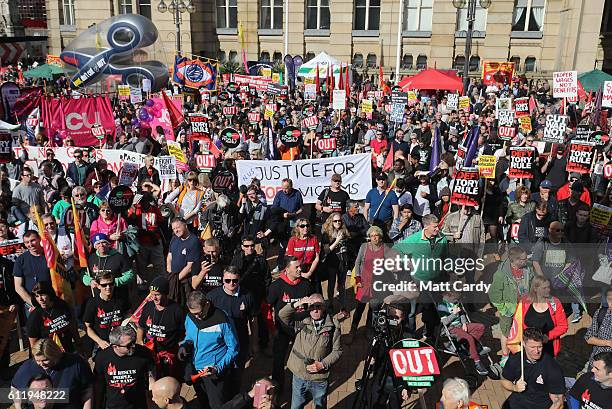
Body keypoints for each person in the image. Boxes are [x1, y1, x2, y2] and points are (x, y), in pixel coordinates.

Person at [279, 294, 342, 409]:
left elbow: (337, 351)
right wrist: (297, 303)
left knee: (320, 405)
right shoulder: (302, 321)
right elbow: (282, 315)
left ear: (324, 307)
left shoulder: (333, 326)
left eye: (318, 306)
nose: (315, 309)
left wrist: (322, 364)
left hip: (319, 377)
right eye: (311, 306)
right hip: (299, 374)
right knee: (296, 406)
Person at [178, 291, 239, 409]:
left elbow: (234, 348)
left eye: (199, 313)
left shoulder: (222, 319)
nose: (197, 317)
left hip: (214, 374)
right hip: (196, 371)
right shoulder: (190, 316)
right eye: (193, 314)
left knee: (217, 406)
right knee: (203, 403)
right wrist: (184, 346)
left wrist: (218, 368)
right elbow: (189, 336)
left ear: (206, 304)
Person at [207, 266, 258, 391]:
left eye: (234, 280)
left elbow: (253, 320)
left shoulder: (247, 296)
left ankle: (235, 396)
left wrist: (254, 343)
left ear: (239, 279)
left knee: (237, 373)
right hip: (219, 343)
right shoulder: (212, 297)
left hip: (240, 340)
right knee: (220, 372)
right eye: (227, 280)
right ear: (222, 280)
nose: (231, 284)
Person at [266, 257, 313, 391]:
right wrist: (272, 328)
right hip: (282, 329)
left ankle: (305, 387)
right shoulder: (276, 286)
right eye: (296, 267)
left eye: (300, 266)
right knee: (279, 361)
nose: (300, 269)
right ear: (287, 270)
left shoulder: (306, 284)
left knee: (306, 358)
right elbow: (267, 307)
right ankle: (277, 389)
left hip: (303, 328)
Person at [346, 226, 397, 344]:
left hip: (377, 283)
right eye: (371, 236)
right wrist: (358, 279)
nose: (374, 238)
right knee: (360, 307)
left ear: (380, 236)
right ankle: (352, 330)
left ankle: (369, 329)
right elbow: (358, 262)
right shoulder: (364, 246)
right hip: (364, 282)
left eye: (376, 235)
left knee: (373, 307)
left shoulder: (386, 249)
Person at [11, 339, 93, 409]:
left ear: (56, 354)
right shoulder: (28, 367)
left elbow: (88, 389)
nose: (41, 364)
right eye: (38, 360)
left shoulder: (76, 363)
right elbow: (15, 388)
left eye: (45, 360)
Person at [489, 246, 535, 367]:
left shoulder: (528, 268)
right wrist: (504, 309)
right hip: (509, 309)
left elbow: (533, 282)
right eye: (524, 259)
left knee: (524, 330)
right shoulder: (501, 274)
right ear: (515, 261)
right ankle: (505, 356)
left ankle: (522, 354)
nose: (527, 260)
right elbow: (494, 294)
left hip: (525, 307)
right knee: (506, 332)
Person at [501, 328, 565, 409]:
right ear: (523, 344)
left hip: (540, 405)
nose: (536, 351)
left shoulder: (552, 368)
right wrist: (514, 388)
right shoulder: (516, 359)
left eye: (539, 347)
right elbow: (504, 381)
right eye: (532, 347)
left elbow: (558, 403)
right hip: (517, 402)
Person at [94, 326, 156, 409]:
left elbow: (151, 377)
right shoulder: (102, 357)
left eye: (134, 342)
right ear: (115, 346)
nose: (133, 346)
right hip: (113, 406)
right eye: (129, 345)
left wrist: (151, 398)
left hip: (139, 405)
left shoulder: (144, 353)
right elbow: (99, 385)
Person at [137, 276, 185, 379]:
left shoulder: (177, 310)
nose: (154, 298)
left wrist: (181, 347)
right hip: (149, 352)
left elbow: (184, 334)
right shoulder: (148, 306)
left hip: (168, 354)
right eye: (152, 295)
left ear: (165, 293)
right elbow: (141, 327)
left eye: (157, 295)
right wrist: (140, 342)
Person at [519, 276, 568, 357]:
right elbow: (518, 322)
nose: (548, 290)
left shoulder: (555, 303)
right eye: (544, 288)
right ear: (535, 289)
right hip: (528, 346)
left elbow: (563, 326)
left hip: (548, 346)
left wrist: (547, 336)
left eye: (549, 287)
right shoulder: (525, 301)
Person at [26, 281, 81, 353]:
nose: (40, 299)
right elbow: (33, 344)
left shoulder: (62, 305)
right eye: (37, 296)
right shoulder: (35, 316)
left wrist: (79, 343)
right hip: (48, 354)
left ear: (49, 293)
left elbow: (72, 325)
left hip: (68, 349)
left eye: (42, 295)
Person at [83, 272, 129, 356]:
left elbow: (127, 314)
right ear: (98, 286)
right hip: (103, 343)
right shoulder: (92, 303)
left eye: (111, 284)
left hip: (121, 341)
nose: (108, 287)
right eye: (104, 285)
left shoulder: (121, 299)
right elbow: (87, 327)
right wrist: (100, 341)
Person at [85, 233, 134, 305]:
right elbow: (84, 274)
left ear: (108, 244)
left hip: (118, 297)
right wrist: (90, 281)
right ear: (95, 246)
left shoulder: (118, 257)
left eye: (103, 242)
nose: (101, 245)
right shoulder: (91, 258)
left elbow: (130, 275)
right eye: (98, 243)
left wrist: (115, 282)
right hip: (99, 299)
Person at [320, 213, 351, 318]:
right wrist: (337, 240)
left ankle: (343, 306)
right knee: (331, 284)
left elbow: (348, 247)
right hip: (332, 262)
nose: (338, 223)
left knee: (342, 285)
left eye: (339, 221)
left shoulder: (344, 232)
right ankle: (330, 305)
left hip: (343, 262)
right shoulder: (326, 234)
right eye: (335, 221)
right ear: (331, 222)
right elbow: (326, 250)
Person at [13, 230, 51, 312]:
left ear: (39, 239)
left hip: (52, 302)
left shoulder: (50, 255)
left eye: (33, 240)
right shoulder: (20, 260)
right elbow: (18, 287)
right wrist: (33, 303)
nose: (30, 244)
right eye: (27, 242)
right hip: (32, 306)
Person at [167, 217, 201, 305]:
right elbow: (169, 257)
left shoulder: (194, 241)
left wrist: (176, 279)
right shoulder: (174, 239)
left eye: (177, 227)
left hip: (185, 282)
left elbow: (190, 266)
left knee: (185, 305)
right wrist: (171, 275)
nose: (176, 231)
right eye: (173, 229)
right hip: (173, 278)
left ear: (185, 225)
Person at [285, 218, 320, 283]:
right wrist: (301, 274)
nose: (305, 228)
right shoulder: (292, 240)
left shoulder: (314, 238)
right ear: (297, 228)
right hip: (297, 271)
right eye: (302, 226)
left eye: (307, 225)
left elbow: (316, 258)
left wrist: (310, 272)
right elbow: (289, 260)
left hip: (311, 269)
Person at [585, 287, 612, 369]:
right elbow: (588, 338)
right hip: (596, 364)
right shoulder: (600, 313)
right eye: (610, 299)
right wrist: (608, 343)